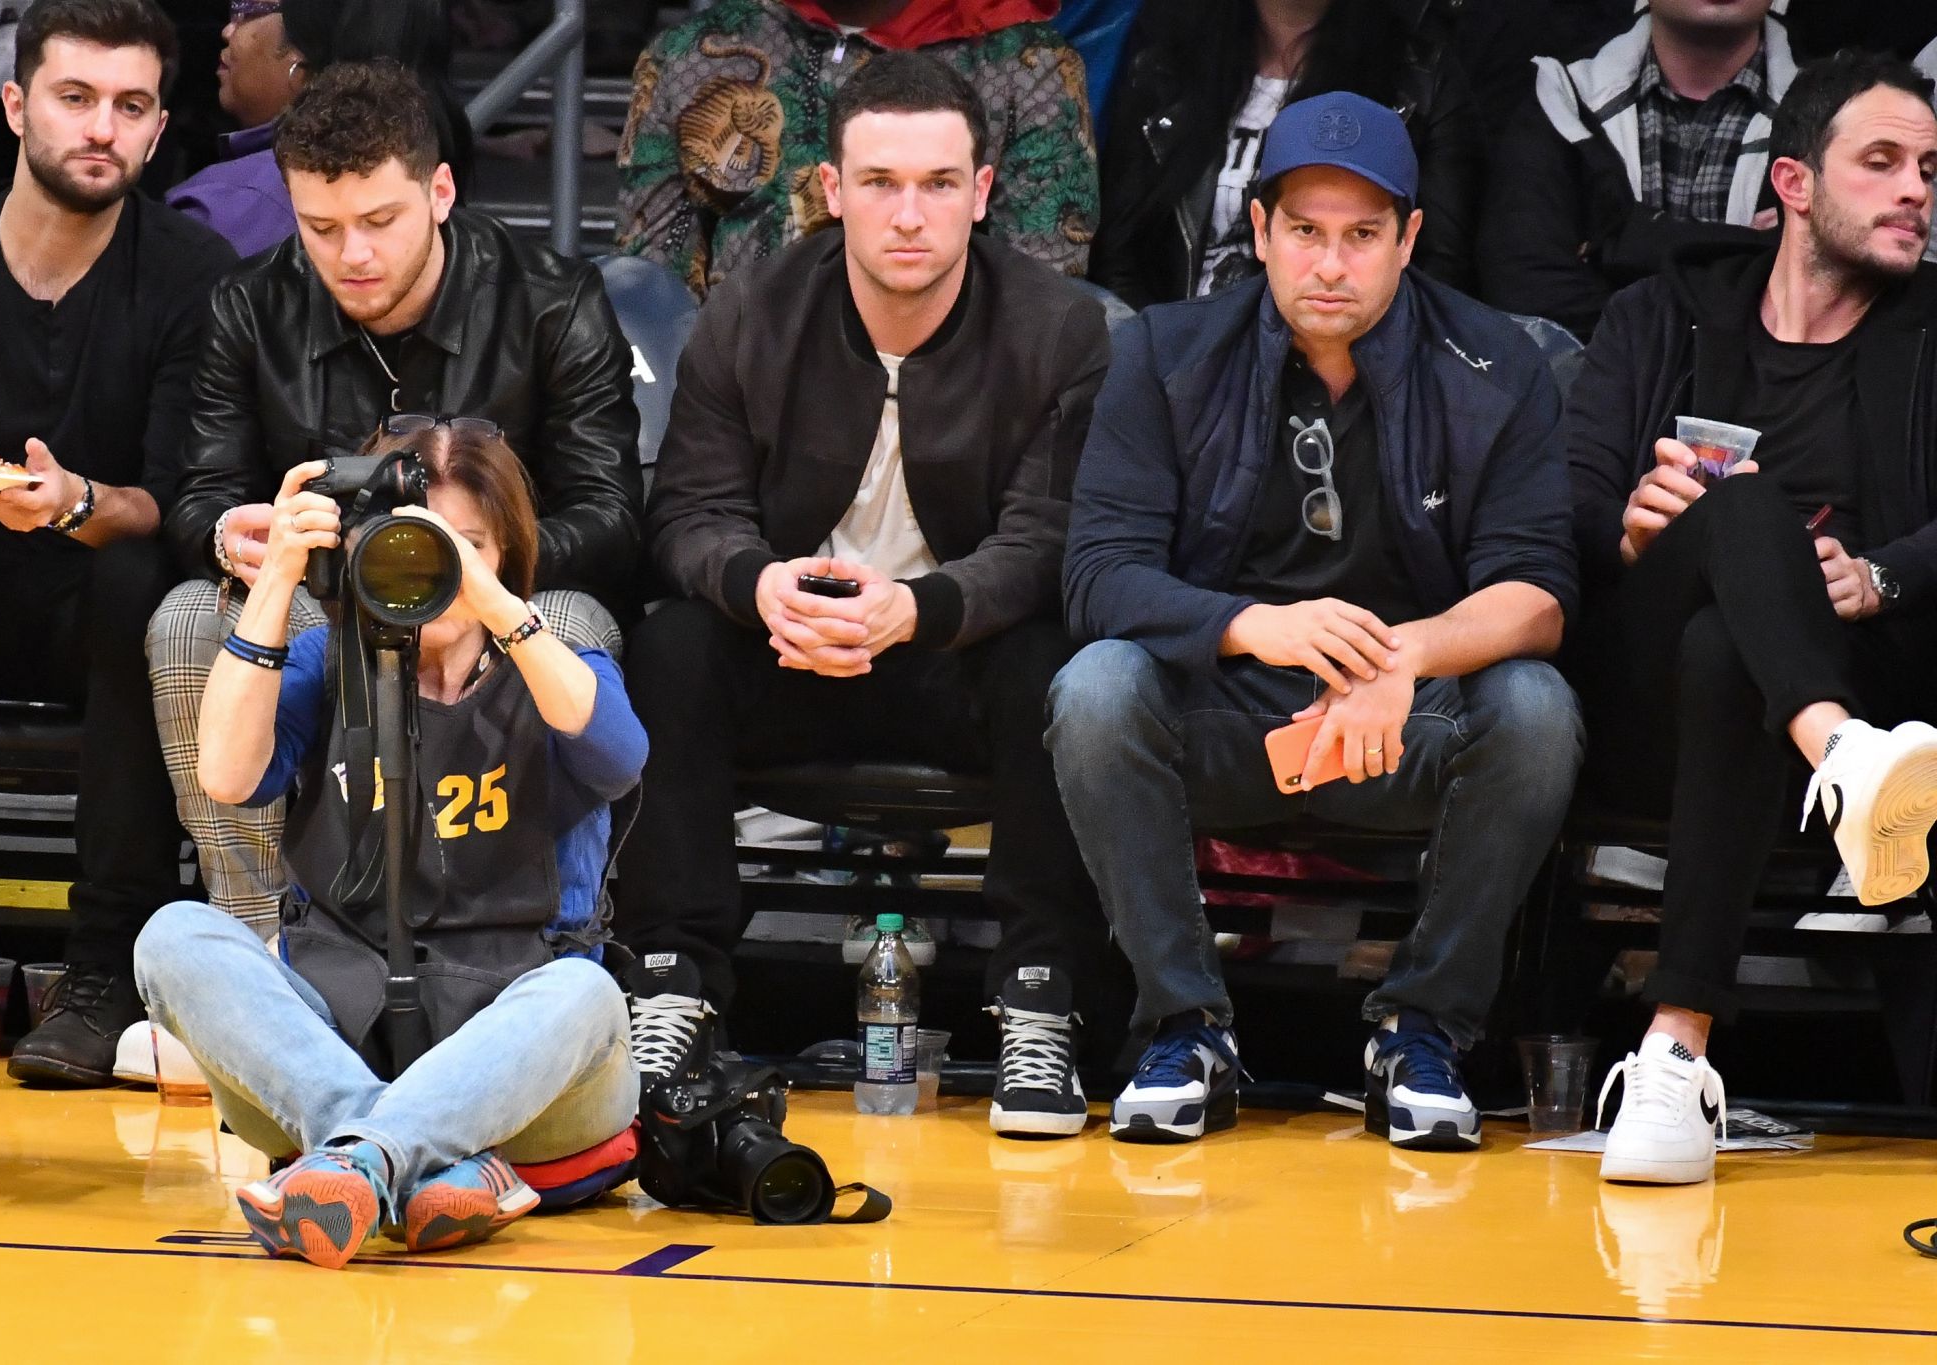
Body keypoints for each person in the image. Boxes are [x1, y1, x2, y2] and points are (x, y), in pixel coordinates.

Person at [1049, 91, 1583, 1148]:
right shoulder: (1161, 353)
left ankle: (1421, 1028)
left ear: (1408, 240)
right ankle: (1184, 1025)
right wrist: (1258, 625)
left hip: (1402, 722)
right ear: (1257, 231)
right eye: (1302, 232)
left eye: (1360, 236)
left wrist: (1403, 656)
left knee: (1532, 709)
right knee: (1095, 689)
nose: (1328, 264)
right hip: (1232, 710)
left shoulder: (1499, 365)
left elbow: (1537, 595)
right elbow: (1097, 578)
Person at [616, 52, 1111, 1139]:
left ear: (982, 194)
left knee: (1060, 669)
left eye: (938, 184)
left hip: (956, 655)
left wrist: (918, 610)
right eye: (878, 182)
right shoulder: (750, 313)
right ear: (828, 190)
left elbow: (1047, 544)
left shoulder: (1058, 330)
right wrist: (762, 587)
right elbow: (687, 515)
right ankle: (673, 985)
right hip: (791, 647)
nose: (908, 214)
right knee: (671, 647)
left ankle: (1037, 1000)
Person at [147, 60, 642, 945]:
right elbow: (200, 499)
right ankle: (266, 937)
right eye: (321, 229)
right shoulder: (249, 305)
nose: (354, 255)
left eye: (380, 220)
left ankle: (557, 945)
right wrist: (239, 538)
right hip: (322, 592)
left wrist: (471, 564)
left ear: (440, 189)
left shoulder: (554, 302)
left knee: (569, 622)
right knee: (188, 620)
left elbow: (610, 514)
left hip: (493, 595)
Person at [134, 421, 643, 1270]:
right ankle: (406, 1156)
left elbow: (620, 758)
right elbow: (224, 773)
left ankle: (358, 1156)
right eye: (404, 541)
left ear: (507, 553)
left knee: (586, 995)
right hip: (334, 1040)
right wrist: (281, 579)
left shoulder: (559, 660)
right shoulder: (320, 662)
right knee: (173, 937)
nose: (432, 567)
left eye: (464, 544)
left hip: (527, 1077)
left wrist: (494, 601)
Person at [1562, 53, 1937, 1186]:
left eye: (1927, 168)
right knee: (1736, 512)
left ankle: (1673, 1062)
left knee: (1729, 641)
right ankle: (1846, 764)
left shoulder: (1931, 331)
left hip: (1861, 680)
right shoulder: (1657, 313)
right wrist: (1629, 529)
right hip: (1646, 709)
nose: (1913, 189)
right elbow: (1562, 511)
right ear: (1789, 182)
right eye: (1878, 163)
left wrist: (1881, 575)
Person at [0, 0, 236, 1087]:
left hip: (89, 613)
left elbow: (189, 500)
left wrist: (76, 501)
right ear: (14, 105)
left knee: (149, 578)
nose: (101, 128)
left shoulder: (195, 274)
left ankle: (99, 978)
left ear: (157, 125)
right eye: (75, 98)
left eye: (129, 106)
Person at [614, 0, 1099, 298]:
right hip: (739, 396)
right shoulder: (691, 54)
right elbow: (654, 283)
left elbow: (1042, 286)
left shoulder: (1025, 64)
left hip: (952, 402)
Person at [1091, 0, 1483, 307]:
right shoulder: (1165, 62)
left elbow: (1440, 275)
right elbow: (1119, 256)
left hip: (1341, 375)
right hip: (1175, 363)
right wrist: (1160, 365)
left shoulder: (1420, 80)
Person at [1479, 0, 1796, 340]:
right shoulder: (1559, 95)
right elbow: (1526, 291)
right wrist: (1750, 245)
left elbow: (1835, 297)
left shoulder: (1839, 117)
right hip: (1590, 389)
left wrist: (1632, 244)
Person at [166, 0, 473, 257]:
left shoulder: (226, 209)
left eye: (248, 9)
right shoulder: (425, 170)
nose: (228, 29)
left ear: (304, 59)